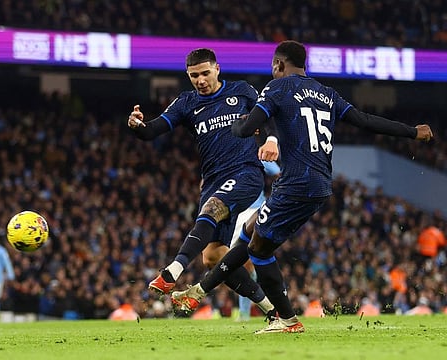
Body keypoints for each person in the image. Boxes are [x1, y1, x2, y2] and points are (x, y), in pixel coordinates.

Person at [171, 40, 433, 334]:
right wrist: (412, 132)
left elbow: (245, 129)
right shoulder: (326, 93)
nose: (272, 71)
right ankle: (197, 292)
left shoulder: (277, 88)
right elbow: (366, 121)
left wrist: (237, 124)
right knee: (249, 229)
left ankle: (287, 320)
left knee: (258, 251)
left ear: (279, 65)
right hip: (320, 183)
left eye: (273, 66)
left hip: (295, 183)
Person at [127, 48, 279, 317]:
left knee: (213, 208)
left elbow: (267, 115)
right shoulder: (186, 103)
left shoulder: (242, 91)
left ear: (217, 69)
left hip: (246, 173)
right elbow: (153, 130)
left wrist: (270, 139)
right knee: (213, 257)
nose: (201, 80)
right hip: (213, 181)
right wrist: (138, 126)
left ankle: (172, 270)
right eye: (194, 75)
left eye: (205, 73)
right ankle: (270, 308)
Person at [233, 160, 280, 322]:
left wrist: (275, 199)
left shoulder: (257, 153)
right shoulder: (221, 152)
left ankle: (246, 312)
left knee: (249, 259)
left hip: (253, 211)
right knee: (233, 263)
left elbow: (277, 173)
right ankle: (256, 305)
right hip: (232, 213)